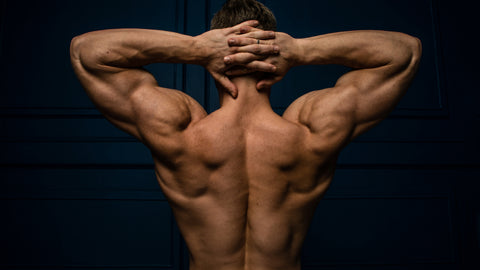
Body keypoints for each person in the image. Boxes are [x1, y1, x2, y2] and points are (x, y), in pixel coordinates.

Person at [70, 0, 422, 269]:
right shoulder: (311, 132)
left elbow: (87, 51)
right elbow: (404, 53)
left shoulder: (180, 132)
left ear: (218, 41)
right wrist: (302, 51)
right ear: (272, 41)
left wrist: (196, 50)